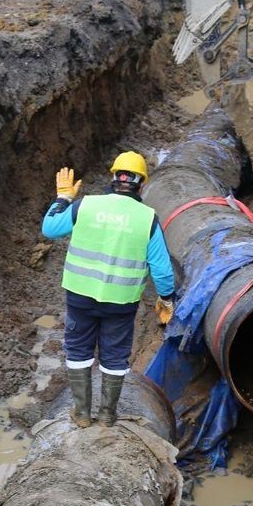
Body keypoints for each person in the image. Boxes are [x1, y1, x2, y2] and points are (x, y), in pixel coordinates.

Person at [41, 151, 176, 428]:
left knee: (78, 351)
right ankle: (106, 416)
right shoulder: (147, 218)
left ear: (114, 177)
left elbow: (50, 229)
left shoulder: (85, 205)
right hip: (120, 304)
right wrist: (166, 299)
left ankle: (81, 414)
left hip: (80, 297)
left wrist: (63, 199)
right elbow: (162, 270)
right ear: (142, 184)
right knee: (114, 356)